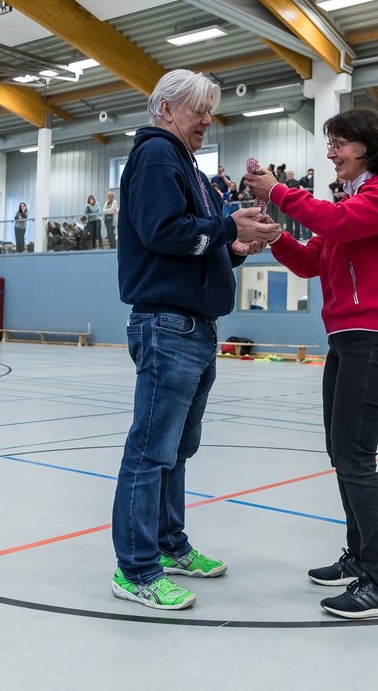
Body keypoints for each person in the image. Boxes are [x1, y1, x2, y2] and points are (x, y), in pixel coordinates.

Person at [111, 69, 280, 612]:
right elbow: (162, 231)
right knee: (151, 451)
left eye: (211, 110)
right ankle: (136, 570)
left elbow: (195, 238)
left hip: (194, 326)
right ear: (165, 109)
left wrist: (234, 243)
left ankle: (168, 544)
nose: (208, 120)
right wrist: (229, 229)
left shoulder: (186, 164)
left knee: (176, 450)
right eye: (199, 110)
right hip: (168, 325)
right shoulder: (158, 155)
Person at [242, 107, 378, 620]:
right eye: (330, 143)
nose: (331, 152)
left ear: (368, 146)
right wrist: (276, 237)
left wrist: (277, 191)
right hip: (346, 339)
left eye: (339, 143)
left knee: (356, 459)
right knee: (343, 455)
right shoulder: (356, 199)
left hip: (374, 339)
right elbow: (313, 260)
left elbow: (333, 222)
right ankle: (360, 557)